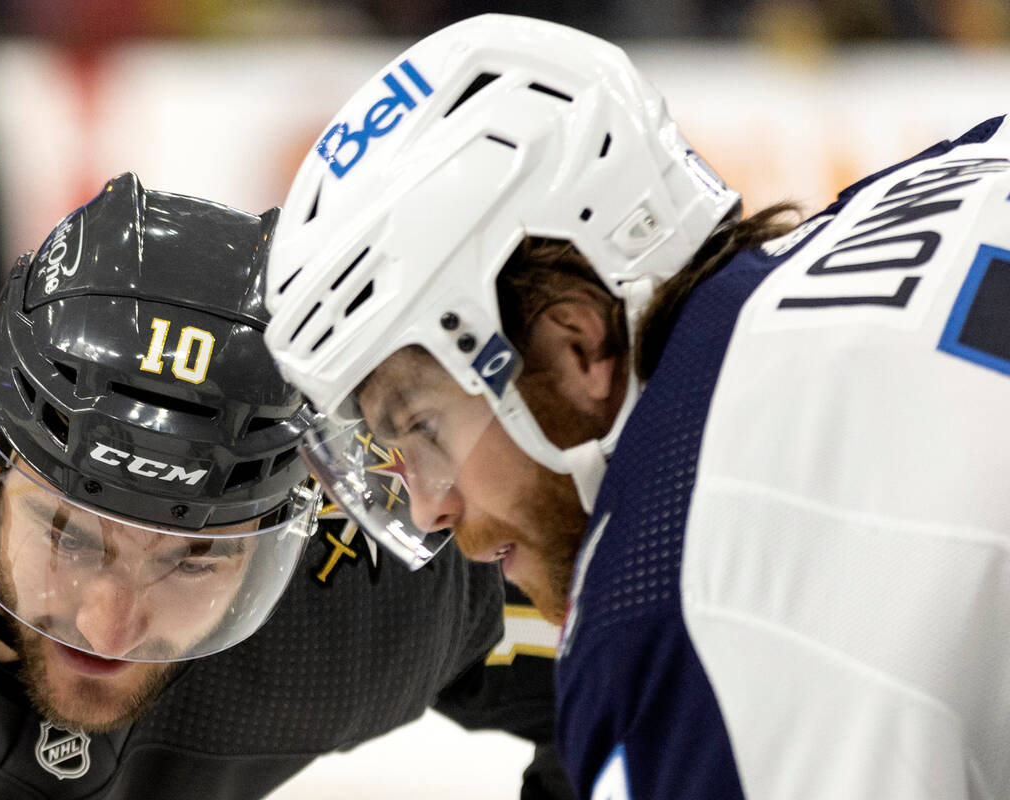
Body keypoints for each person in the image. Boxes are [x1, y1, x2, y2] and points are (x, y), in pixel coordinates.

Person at [260, 13, 1010, 800]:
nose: (429, 505)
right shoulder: (944, 175)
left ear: (576, 344)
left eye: (422, 427)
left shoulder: (674, 611)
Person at [0, 172, 574, 799]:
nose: (112, 627)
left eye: (196, 558)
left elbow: (647, 672)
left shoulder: (385, 578)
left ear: (290, 530)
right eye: (71, 537)